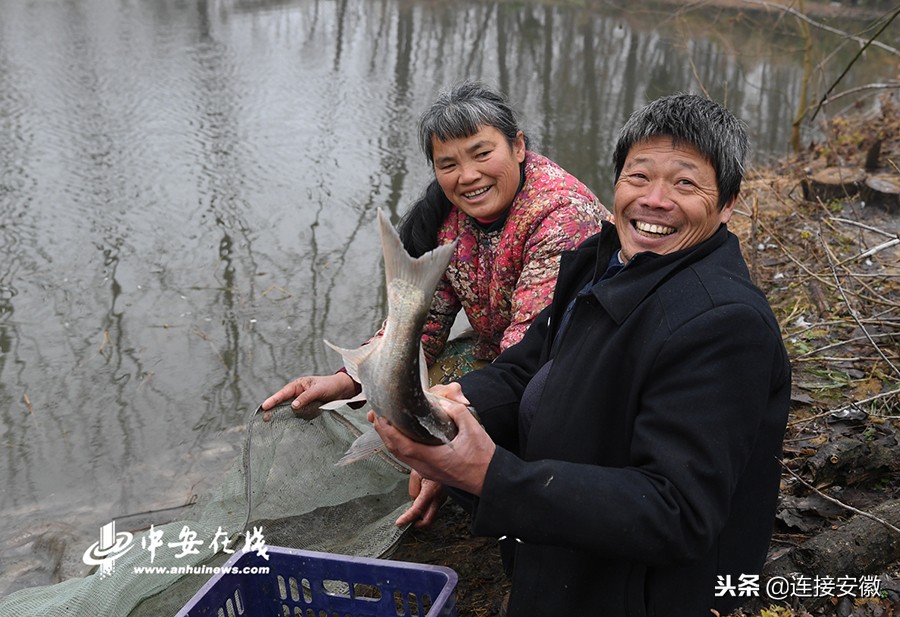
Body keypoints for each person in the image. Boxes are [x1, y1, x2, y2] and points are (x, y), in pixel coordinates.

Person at [369, 94, 791, 616]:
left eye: (685, 183)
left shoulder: (724, 324)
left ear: (727, 203)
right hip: (560, 555)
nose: (654, 200)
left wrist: (490, 475)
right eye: (639, 177)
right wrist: (455, 409)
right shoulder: (608, 261)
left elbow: (675, 513)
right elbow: (532, 363)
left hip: (635, 594)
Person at [263, 80, 610, 414]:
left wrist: (464, 412)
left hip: (571, 370)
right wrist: (350, 380)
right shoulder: (450, 220)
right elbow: (422, 325)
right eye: (448, 165)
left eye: (482, 154)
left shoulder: (561, 217)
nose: (468, 176)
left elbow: (529, 349)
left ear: (518, 147)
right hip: (501, 357)